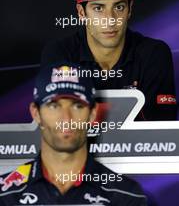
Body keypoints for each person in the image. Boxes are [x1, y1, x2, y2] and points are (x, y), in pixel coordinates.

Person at [41, 0, 177, 121]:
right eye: (98, 8)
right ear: (81, 12)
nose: (110, 20)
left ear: (130, 9)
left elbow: (160, 129)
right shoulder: (61, 54)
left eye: (118, 7)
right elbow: (58, 125)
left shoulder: (153, 54)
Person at [0, 62, 147, 205]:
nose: (66, 118)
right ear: (36, 113)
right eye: (54, 105)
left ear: (92, 114)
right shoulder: (5, 195)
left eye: (77, 106)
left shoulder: (125, 195)